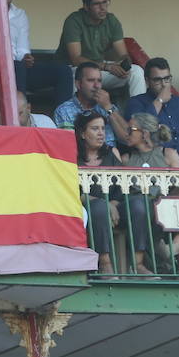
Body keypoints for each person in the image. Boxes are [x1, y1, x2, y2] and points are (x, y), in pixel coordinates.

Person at [120, 113, 179, 276]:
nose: (126, 133)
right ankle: (143, 263)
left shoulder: (167, 153)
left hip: (164, 208)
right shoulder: (127, 158)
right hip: (137, 210)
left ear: (145, 133)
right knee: (139, 206)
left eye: (131, 129)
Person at [55, 0, 146, 98]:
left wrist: (124, 64)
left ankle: (140, 114)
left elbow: (122, 53)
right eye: (97, 4)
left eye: (105, 2)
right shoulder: (74, 21)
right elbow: (76, 59)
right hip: (73, 69)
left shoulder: (111, 20)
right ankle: (73, 115)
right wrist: (107, 66)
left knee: (136, 71)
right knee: (73, 78)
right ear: (86, 6)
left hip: (100, 69)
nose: (103, 8)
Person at [76, 111, 125, 277]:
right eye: (95, 128)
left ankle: (140, 264)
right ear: (83, 133)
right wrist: (105, 205)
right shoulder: (73, 157)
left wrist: (113, 204)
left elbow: (122, 189)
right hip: (85, 208)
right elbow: (72, 192)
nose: (101, 133)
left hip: (114, 207)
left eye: (103, 128)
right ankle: (105, 262)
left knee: (139, 206)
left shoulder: (112, 154)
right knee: (98, 208)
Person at [124, 57, 179, 156]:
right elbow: (141, 129)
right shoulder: (136, 102)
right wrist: (159, 100)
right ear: (147, 81)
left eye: (167, 79)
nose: (164, 84)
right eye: (157, 80)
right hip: (157, 160)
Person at [54, 63, 128, 145]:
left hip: (112, 156)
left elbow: (129, 138)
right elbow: (68, 146)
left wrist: (109, 108)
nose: (97, 86)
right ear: (78, 84)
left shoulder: (107, 106)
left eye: (99, 81)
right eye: (91, 80)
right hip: (83, 156)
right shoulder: (64, 110)